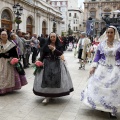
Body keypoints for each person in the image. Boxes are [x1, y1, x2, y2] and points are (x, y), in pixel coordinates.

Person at [81, 26, 120, 119]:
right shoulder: (101, 44)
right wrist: (93, 66)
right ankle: (103, 105)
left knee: (113, 89)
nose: (109, 34)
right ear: (106, 33)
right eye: (108, 32)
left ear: (114, 34)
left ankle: (112, 109)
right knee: (101, 88)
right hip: (103, 68)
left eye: (111, 32)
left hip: (115, 68)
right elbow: (97, 55)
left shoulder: (118, 44)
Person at [33, 32, 74, 104]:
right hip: (47, 64)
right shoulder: (46, 45)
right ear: (49, 37)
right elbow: (43, 55)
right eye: (51, 37)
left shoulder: (59, 45)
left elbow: (61, 53)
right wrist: (39, 62)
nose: (52, 38)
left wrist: (54, 49)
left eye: (54, 37)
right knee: (46, 79)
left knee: (56, 79)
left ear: (56, 37)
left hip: (57, 64)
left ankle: (53, 94)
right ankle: (47, 96)